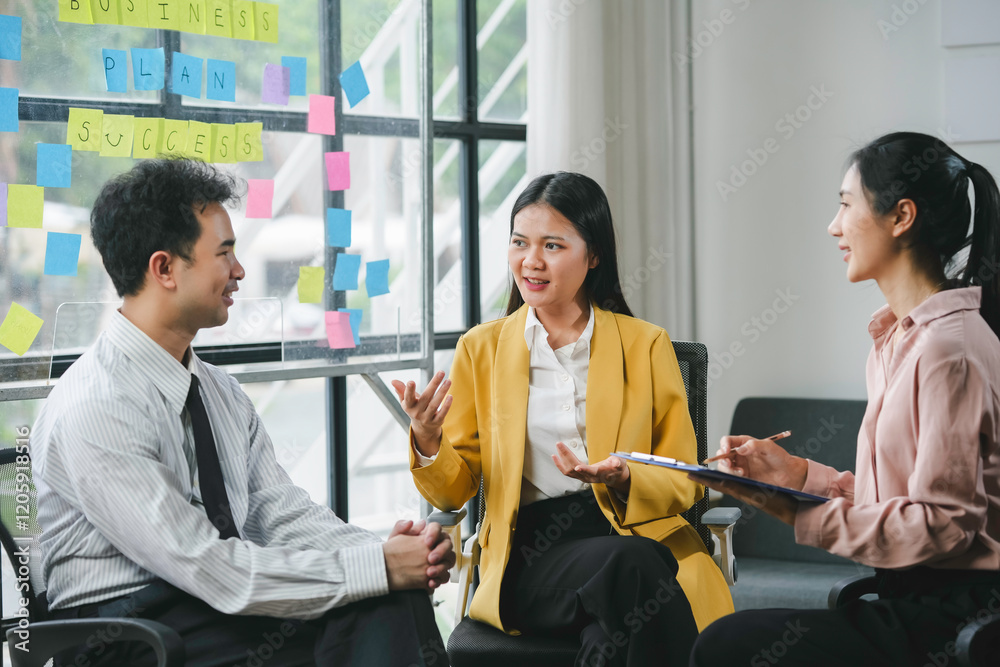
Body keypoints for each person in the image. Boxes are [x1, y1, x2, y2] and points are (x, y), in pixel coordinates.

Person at [31, 158, 454, 667]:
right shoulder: (97, 405)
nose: (240, 271)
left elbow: (279, 514)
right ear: (164, 268)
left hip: (206, 607)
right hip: (128, 630)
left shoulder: (217, 391)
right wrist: (376, 568)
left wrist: (387, 554)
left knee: (386, 598)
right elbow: (205, 564)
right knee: (374, 599)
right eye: (224, 253)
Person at [393, 172, 734, 666]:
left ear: (592, 255)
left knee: (610, 639)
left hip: (632, 531)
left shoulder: (645, 345)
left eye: (552, 245)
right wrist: (427, 440)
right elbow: (452, 492)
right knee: (632, 569)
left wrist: (625, 478)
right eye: (519, 243)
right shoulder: (480, 350)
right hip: (530, 555)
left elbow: (685, 480)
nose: (531, 261)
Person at [689, 132, 1000, 667]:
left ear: (901, 216)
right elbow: (906, 503)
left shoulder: (951, 351)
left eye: (845, 205)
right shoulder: (897, 339)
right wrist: (797, 478)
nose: (834, 226)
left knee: (729, 645)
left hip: (953, 617)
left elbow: (944, 526)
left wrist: (795, 514)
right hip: (911, 602)